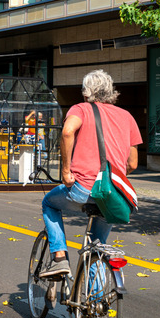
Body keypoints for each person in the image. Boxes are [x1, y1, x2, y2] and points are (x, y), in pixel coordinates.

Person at [39, 69, 141, 278]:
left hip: (84, 187)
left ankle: (59, 257)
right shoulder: (127, 116)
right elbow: (132, 163)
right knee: (97, 247)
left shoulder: (82, 109)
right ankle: (95, 305)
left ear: (86, 93)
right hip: (113, 194)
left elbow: (67, 131)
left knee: (49, 203)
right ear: (110, 91)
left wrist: (66, 171)